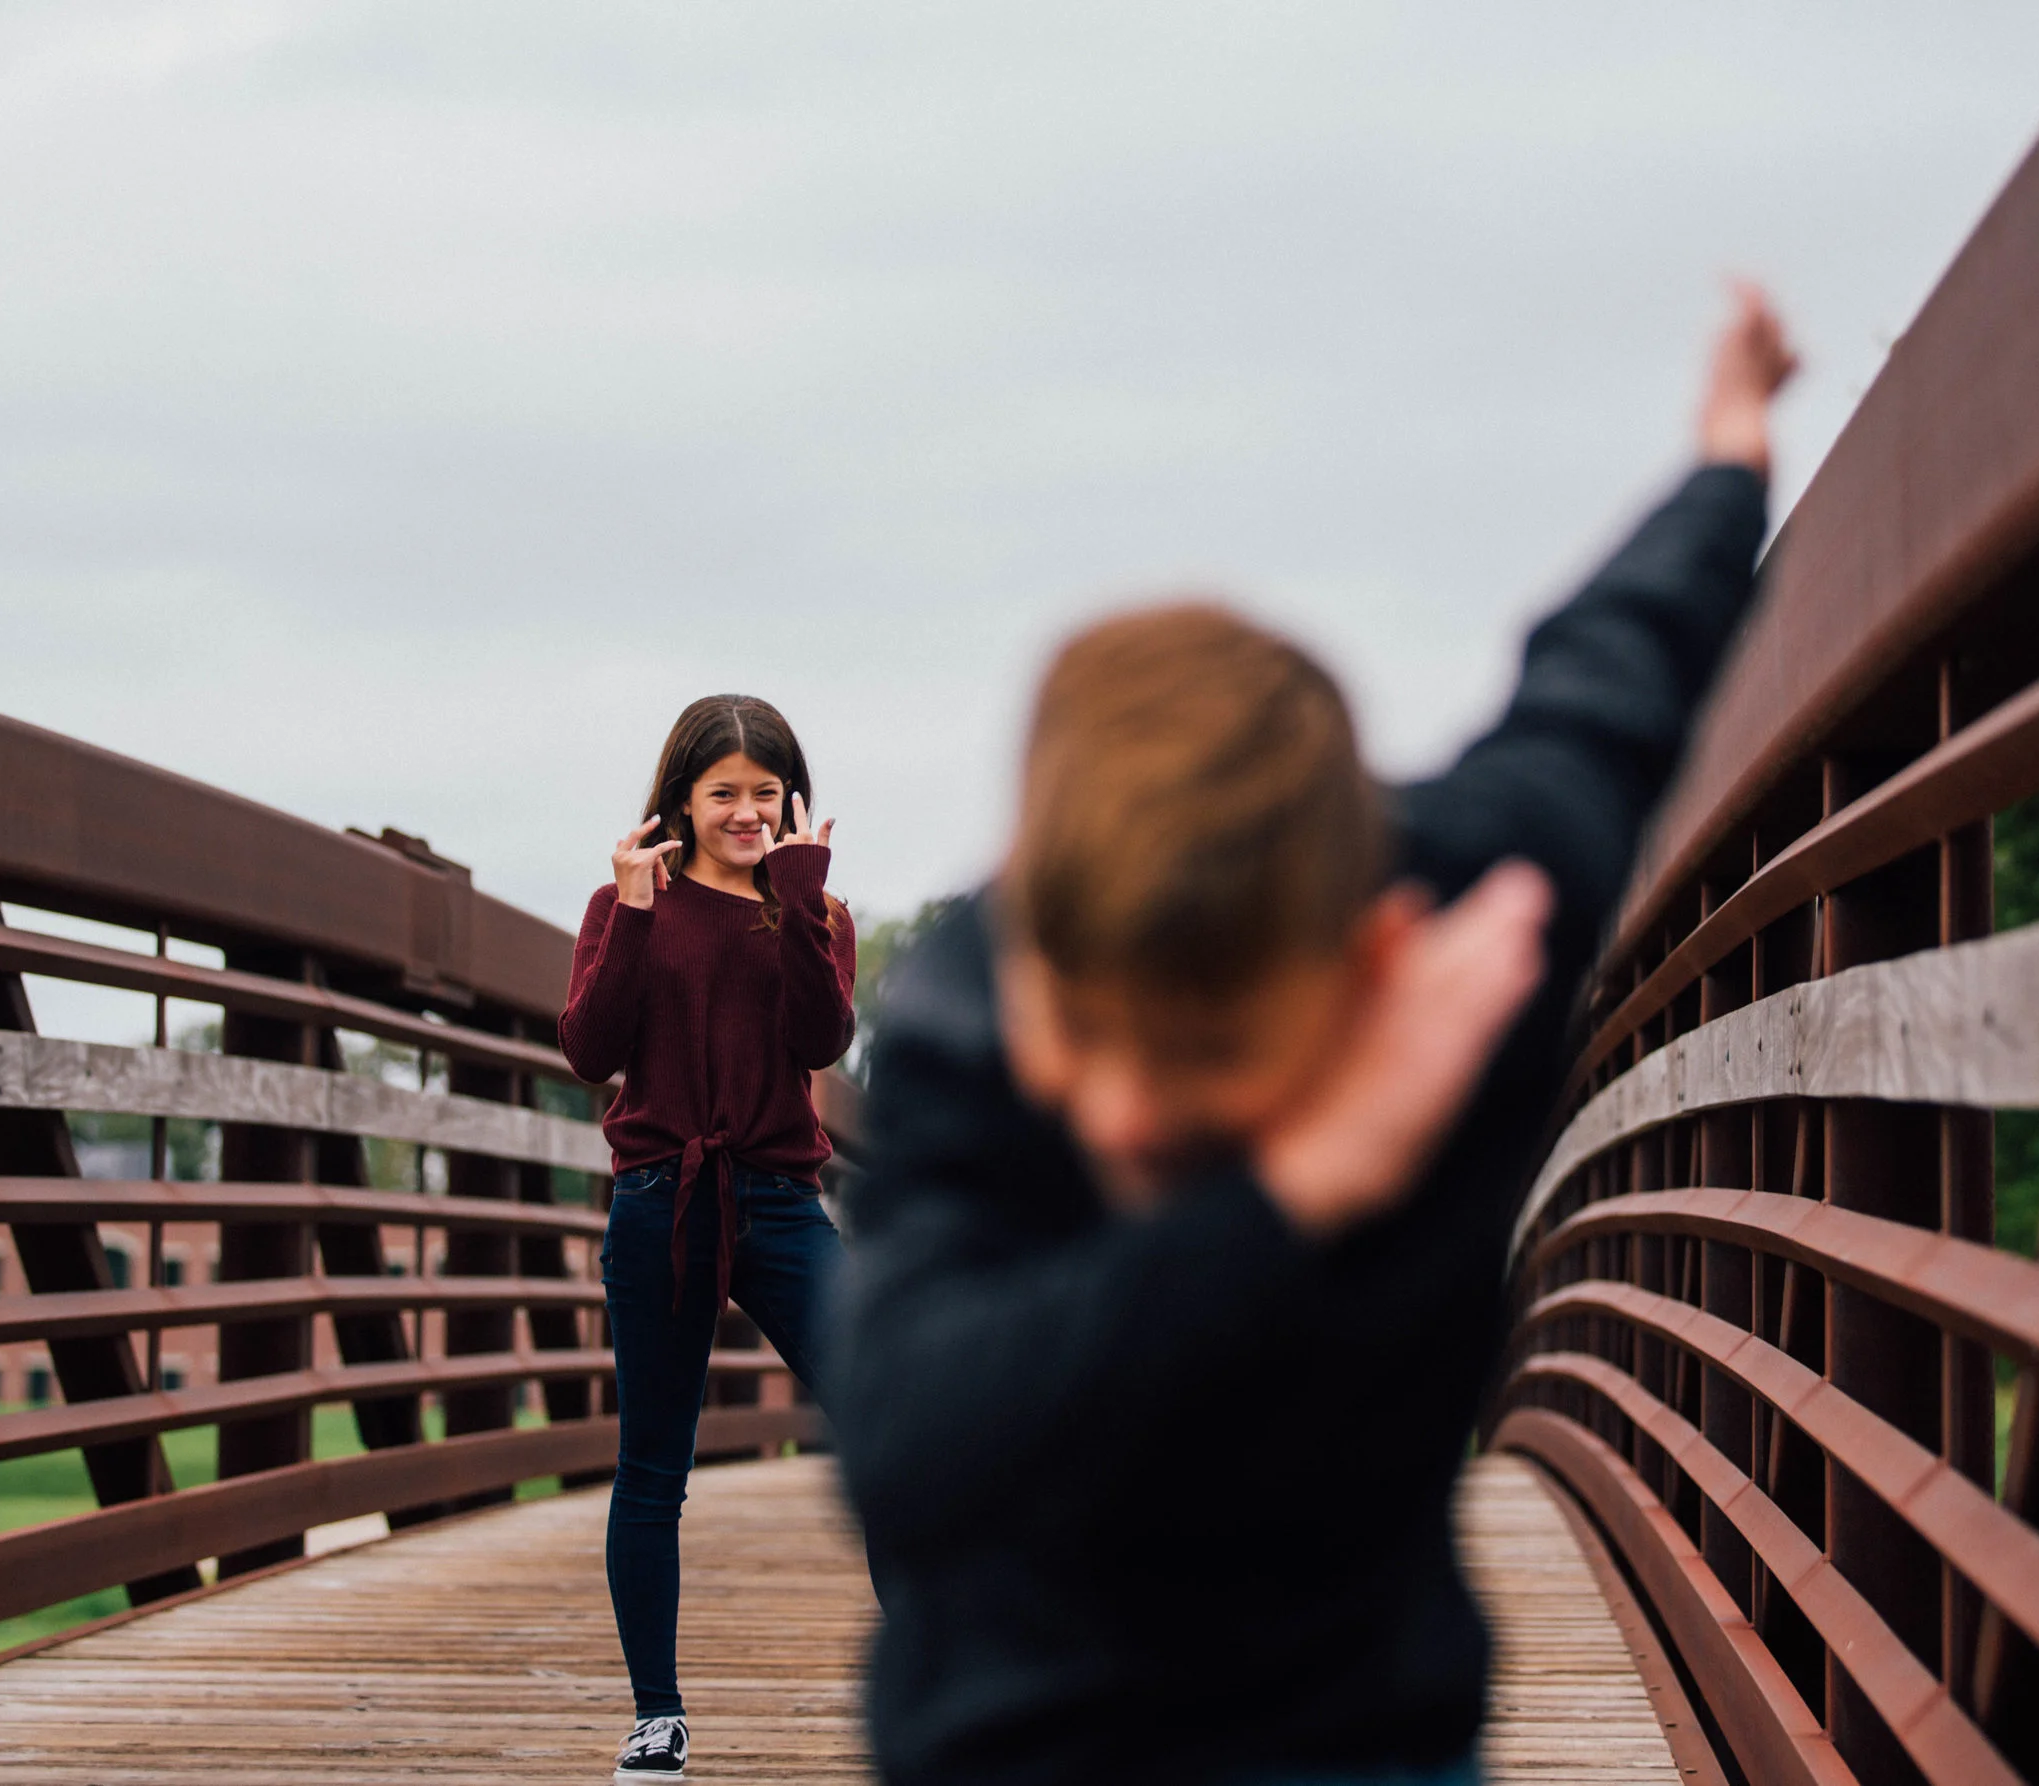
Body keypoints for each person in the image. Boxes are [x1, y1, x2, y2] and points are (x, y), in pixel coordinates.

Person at [829, 286, 1797, 1786]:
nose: (1133, 1111)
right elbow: (911, 1440)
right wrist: (1300, 1182)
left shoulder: (1475, 943)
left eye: (1206, 1051)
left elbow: (1611, 676)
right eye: (1087, 1030)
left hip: (1352, 1739)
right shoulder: (973, 1009)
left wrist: (1730, 454)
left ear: (1370, 958)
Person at [558, 694, 857, 1784]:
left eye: (763, 793)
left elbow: (822, 1036)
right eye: (723, 790)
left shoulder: (811, 909)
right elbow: (591, 1051)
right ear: (681, 795)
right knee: (654, 1467)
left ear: (790, 800)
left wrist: (804, 906)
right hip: (660, 1198)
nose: (744, 810)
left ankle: (935, 1671)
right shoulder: (621, 901)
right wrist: (633, 913)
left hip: (780, 1200)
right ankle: (656, 1714)